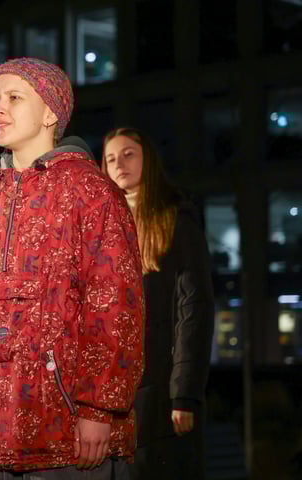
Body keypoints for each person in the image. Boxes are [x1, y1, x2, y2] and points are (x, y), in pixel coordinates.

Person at [0, 57, 145, 479]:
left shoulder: (92, 192)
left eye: (15, 97)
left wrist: (98, 408)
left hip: (69, 435)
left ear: (51, 112)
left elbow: (115, 307)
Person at [102, 127, 214, 479]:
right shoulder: (103, 226)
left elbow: (193, 312)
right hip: (115, 394)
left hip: (161, 389)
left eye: (128, 154)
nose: (119, 164)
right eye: (110, 159)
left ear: (147, 160)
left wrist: (184, 395)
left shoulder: (175, 220)